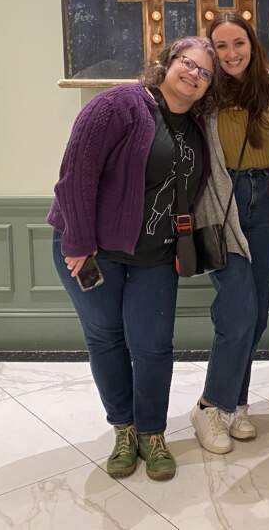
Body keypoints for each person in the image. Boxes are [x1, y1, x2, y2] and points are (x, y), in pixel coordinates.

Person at [48, 36, 217, 481]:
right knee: (106, 338)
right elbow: (75, 177)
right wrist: (80, 244)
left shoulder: (196, 125)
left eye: (204, 72)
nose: (193, 74)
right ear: (167, 63)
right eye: (187, 63)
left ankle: (152, 433)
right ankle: (123, 431)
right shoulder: (119, 105)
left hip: (155, 257)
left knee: (154, 346)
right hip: (94, 250)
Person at [191, 12, 269, 455]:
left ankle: (236, 404)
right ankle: (210, 405)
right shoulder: (203, 93)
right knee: (237, 309)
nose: (231, 54)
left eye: (238, 44)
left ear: (252, 44)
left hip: (264, 202)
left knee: (259, 312)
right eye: (221, 46)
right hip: (221, 203)